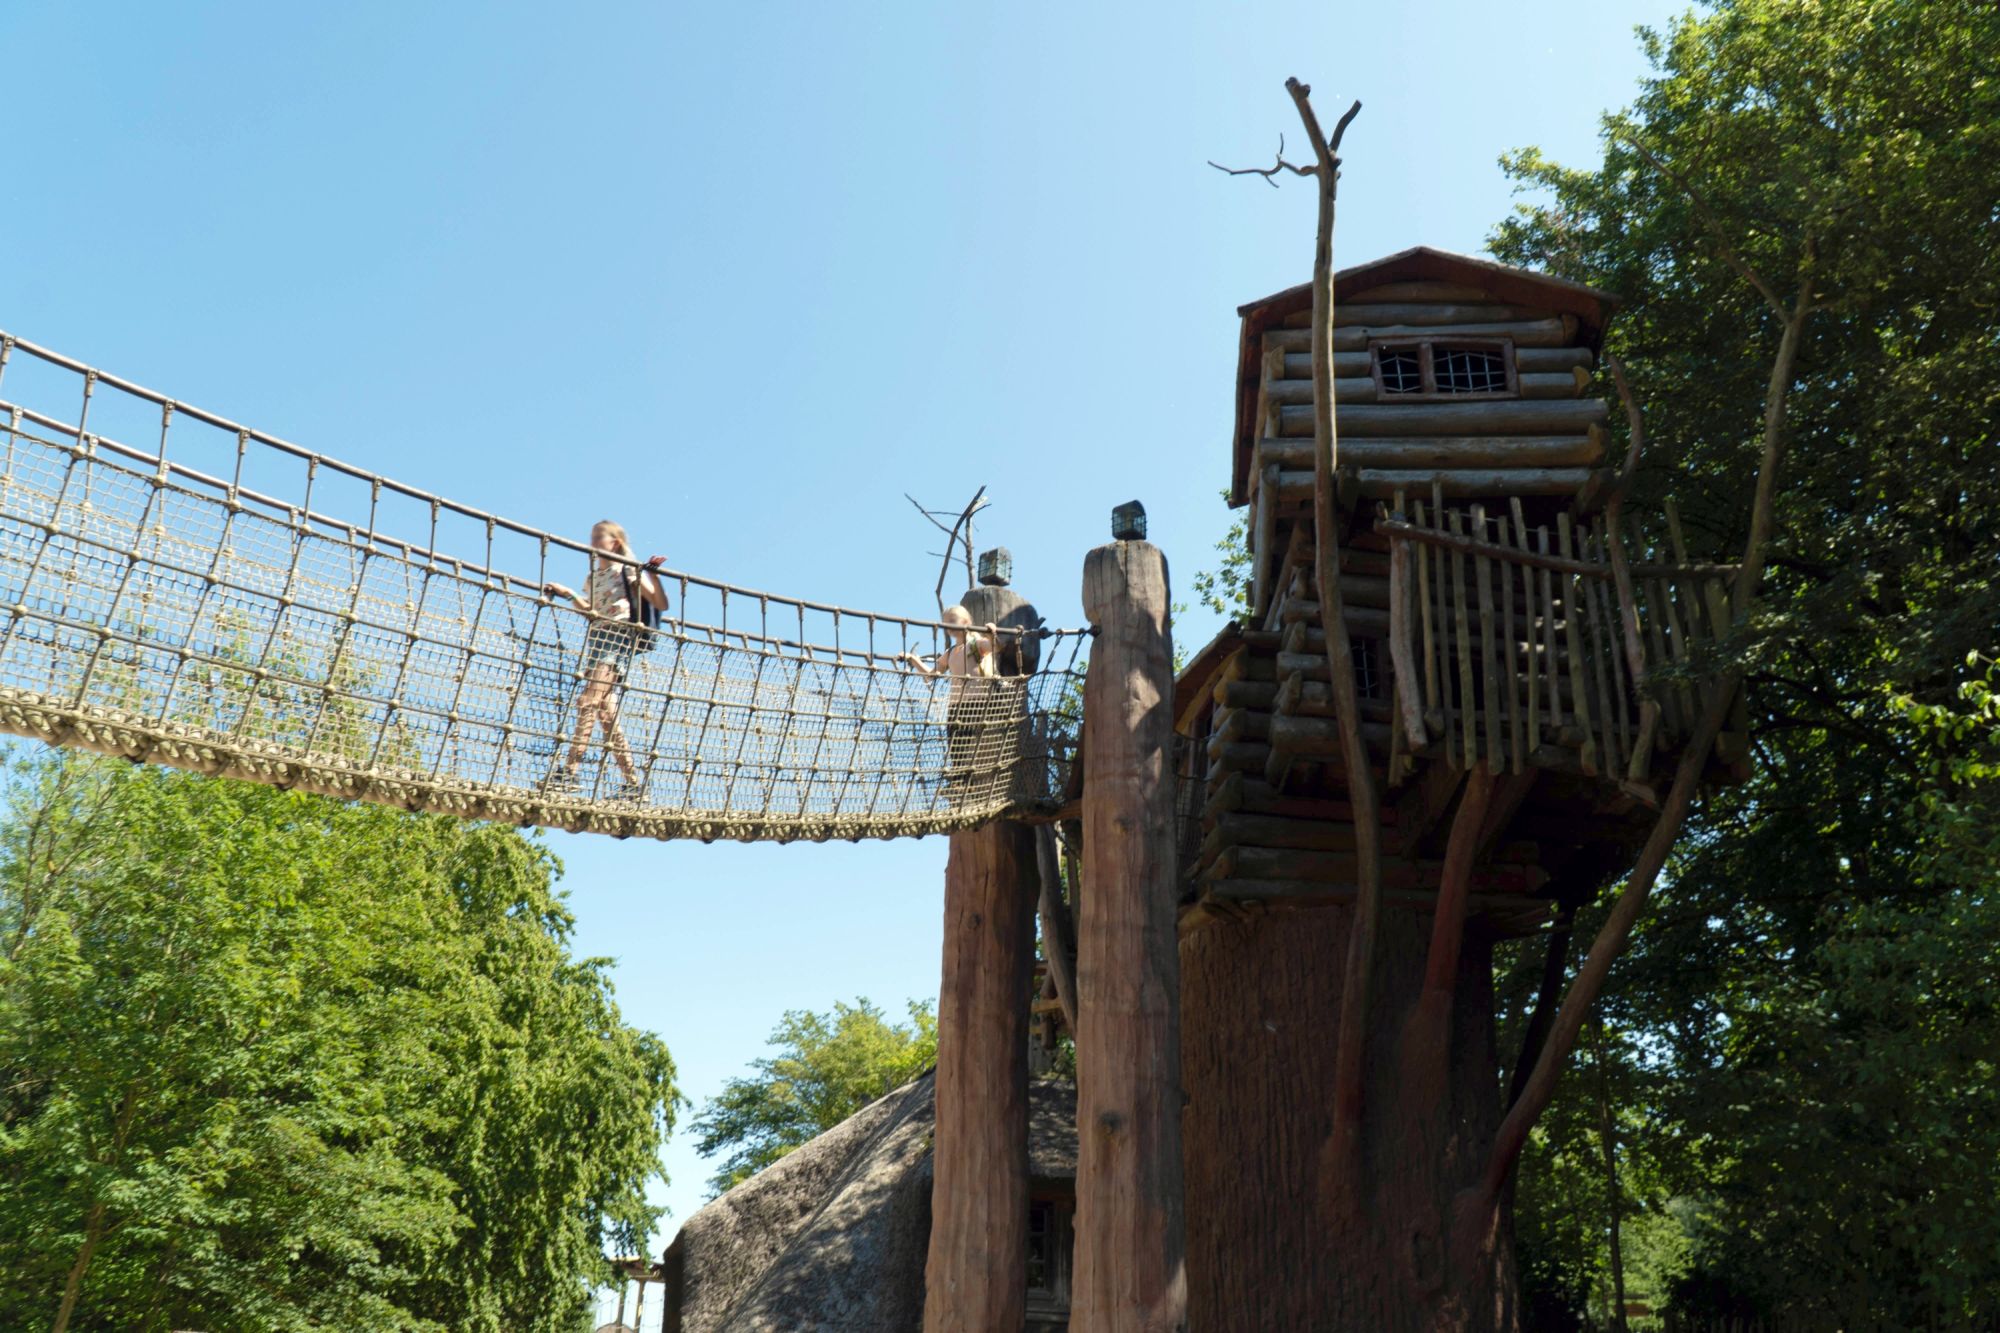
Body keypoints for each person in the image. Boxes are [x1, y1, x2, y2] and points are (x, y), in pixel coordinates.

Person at [539, 520, 668, 800]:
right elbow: (591, 612)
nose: (594, 542)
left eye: (600, 537)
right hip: (597, 641)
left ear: (615, 543)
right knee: (606, 715)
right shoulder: (593, 578)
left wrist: (651, 575)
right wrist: (568, 594)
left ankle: (569, 773)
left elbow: (660, 603)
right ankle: (633, 785)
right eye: (593, 537)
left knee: (587, 701)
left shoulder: (627, 570)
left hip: (617, 638)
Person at [897, 605, 1002, 800]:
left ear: (966, 622)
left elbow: (996, 647)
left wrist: (991, 633)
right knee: (955, 744)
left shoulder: (976, 644)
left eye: (952, 621)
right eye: (946, 623)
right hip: (956, 705)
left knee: (967, 742)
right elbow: (931, 675)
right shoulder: (951, 651)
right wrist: (913, 659)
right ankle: (960, 783)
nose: (949, 626)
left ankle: (967, 782)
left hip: (976, 701)